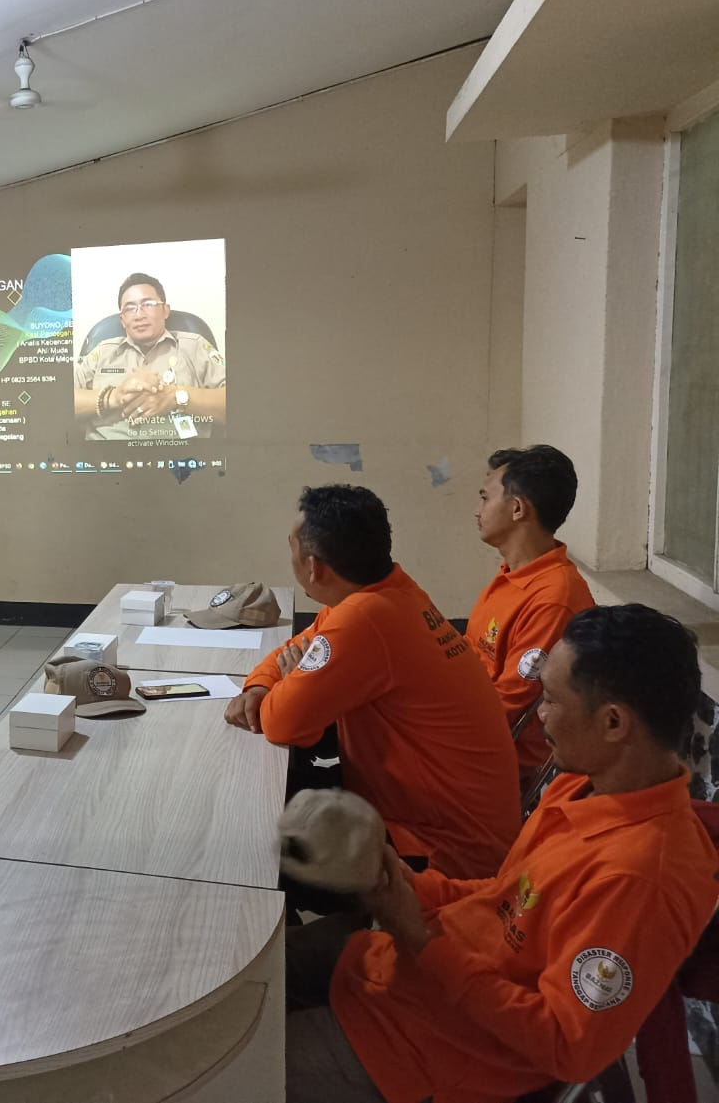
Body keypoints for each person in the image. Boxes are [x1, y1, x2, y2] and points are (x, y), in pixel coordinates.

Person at [286, 605, 719, 1103]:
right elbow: (507, 898)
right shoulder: (582, 787)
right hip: (400, 967)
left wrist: (421, 939)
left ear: (614, 722)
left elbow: (567, 1045)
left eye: (552, 700)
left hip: (427, 1055)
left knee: (220, 1063)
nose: (540, 713)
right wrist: (403, 884)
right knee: (257, 974)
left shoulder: (640, 878)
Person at [225, 485, 519, 879]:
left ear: (314, 567)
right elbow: (297, 645)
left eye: (291, 546)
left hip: (443, 850)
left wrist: (289, 681)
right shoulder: (388, 591)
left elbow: (282, 722)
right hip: (445, 820)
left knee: (254, 844)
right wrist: (260, 685)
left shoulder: (364, 618)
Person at [469, 445, 595, 775]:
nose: (477, 509)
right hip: (474, 726)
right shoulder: (513, 574)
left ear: (517, 509)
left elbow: (507, 706)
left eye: (485, 498)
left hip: (507, 763)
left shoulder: (554, 598)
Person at [73, 272, 226, 441]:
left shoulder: (195, 346)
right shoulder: (102, 352)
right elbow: (58, 402)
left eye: (148, 304)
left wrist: (176, 396)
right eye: (130, 308)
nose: (139, 315)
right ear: (122, 320)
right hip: (104, 458)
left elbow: (239, 404)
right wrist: (113, 397)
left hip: (182, 460)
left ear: (165, 310)